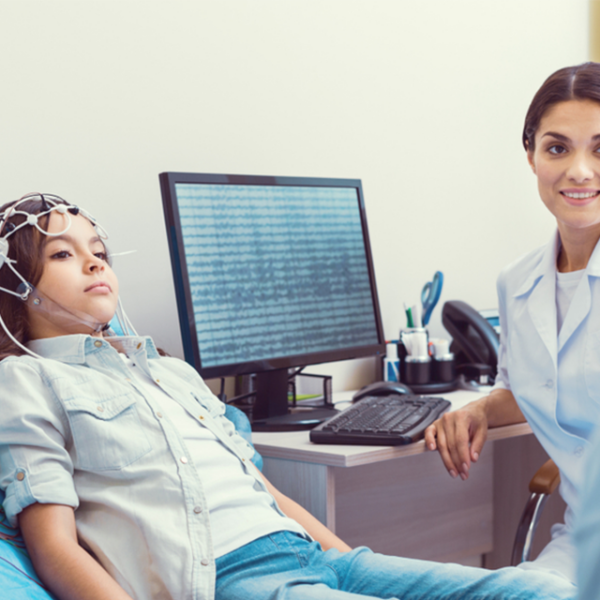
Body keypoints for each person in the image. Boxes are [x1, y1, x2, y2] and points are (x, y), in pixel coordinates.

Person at [0, 194, 576, 600]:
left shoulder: (168, 372)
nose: (95, 259)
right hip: (230, 575)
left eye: (97, 247)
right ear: (16, 285)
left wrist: (351, 564)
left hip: (312, 556)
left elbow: (265, 491)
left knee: (538, 590)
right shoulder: (27, 383)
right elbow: (53, 548)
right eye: (62, 254)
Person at [425, 61, 600, 585]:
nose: (580, 171)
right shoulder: (518, 282)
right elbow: (536, 386)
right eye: (557, 148)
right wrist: (479, 409)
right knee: (512, 591)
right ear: (531, 156)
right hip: (583, 541)